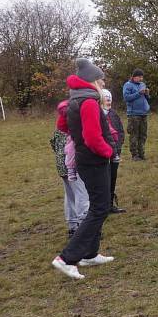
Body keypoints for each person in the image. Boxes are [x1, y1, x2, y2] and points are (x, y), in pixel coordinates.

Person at [51, 58, 115, 280]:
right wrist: (108, 151)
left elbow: (63, 127)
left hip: (86, 159)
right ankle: (67, 258)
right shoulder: (87, 102)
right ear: (92, 81)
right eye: (101, 79)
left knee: (100, 206)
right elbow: (91, 137)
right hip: (93, 160)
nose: (103, 83)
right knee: (99, 208)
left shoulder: (75, 100)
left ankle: (89, 253)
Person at [49, 100, 89, 238]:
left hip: (61, 167)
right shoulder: (73, 128)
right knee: (81, 194)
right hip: (73, 166)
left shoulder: (58, 128)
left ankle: (72, 226)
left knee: (70, 195)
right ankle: (83, 226)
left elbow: (53, 143)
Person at [101, 89, 126, 214]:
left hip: (115, 152)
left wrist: (118, 145)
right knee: (103, 180)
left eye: (109, 97)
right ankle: (102, 207)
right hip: (103, 153)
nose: (108, 100)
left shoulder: (113, 114)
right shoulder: (97, 114)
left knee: (112, 178)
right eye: (105, 97)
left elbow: (120, 131)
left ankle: (110, 205)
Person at [123, 68, 150, 161]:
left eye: (142, 77)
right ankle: (134, 155)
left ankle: (142, 154)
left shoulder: (142, 84)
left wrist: (147, 94)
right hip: (133, 114)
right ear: (134, 77)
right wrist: (138, 93)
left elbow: (146, 98)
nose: (141, 79)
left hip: (144, 113)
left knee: (143, 135)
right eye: (139, 77)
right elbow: (127, 98)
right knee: (134, 135)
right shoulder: (128, 85)